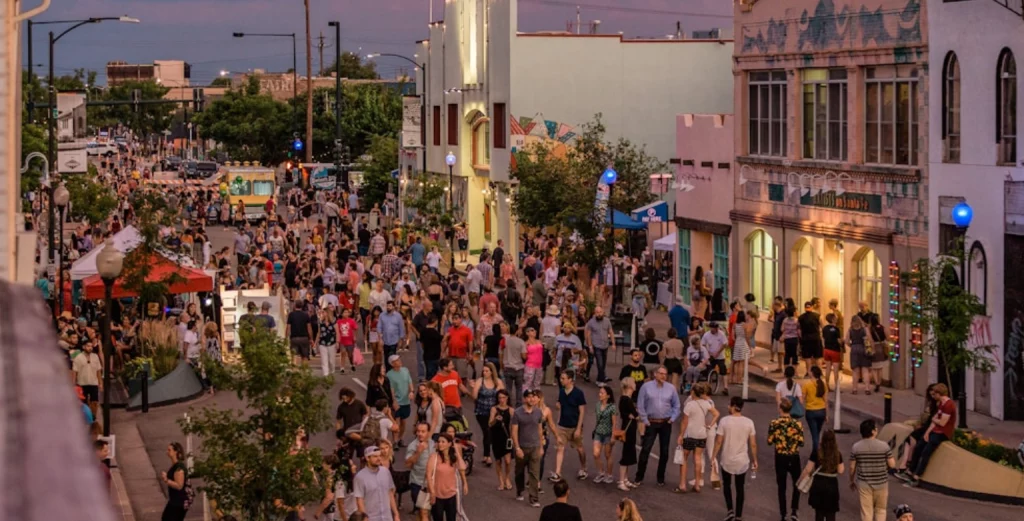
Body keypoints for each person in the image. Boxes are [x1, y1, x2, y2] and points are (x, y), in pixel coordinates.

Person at [712, 397, 757, 521]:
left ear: (732, 406)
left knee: (727, 485)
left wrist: (713, 456)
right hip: (742, 460)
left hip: (727, 458)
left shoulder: (724, 421)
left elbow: (719, 441)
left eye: (729, 405)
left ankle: (730, 511)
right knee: (740, 487)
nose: (728, 407)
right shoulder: (749, 422)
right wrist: (755, 459)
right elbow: (753, 444)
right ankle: (739, 515)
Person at [635, 366, 680, 486]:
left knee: (664, 452)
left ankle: (660, 478)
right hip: (651, 422)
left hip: (665, 423)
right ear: (655, 374)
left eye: (665, 374)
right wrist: (645, 420)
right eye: (661, 373)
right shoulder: (646, 387)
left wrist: (672, 419)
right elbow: (640, 404)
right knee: (645, 450)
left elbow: (676, 406)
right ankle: (639, 477)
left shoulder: (671, 388)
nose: (663, 376)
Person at [903, 383, 956, 487]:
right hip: (935, 431)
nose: (933, 396)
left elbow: (942, 423)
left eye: (934, 394)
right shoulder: (941, 404)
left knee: (926, 452)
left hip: (943, 433)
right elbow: (934, 422)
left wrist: (934, 419)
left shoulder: (949, 405)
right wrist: (927, 433)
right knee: (919, 446)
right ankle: (910, 471)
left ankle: (917, 476)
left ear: (939, 394)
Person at [676, 382, 719, 493]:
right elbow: (716, 414)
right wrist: (710, 425)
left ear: (693, 392)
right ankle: (697, 484)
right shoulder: (707, 403)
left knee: (684, 459)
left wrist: (681, 435)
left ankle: (682, 485)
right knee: (698, 458)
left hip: (690, 434)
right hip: (702, 435)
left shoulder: (690, 404)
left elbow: (684, 422)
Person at [850, 419, 896, 521]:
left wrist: (851, 480)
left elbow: (852, 467)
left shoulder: (856, 447)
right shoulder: (884, 446)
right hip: (882, 483)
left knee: (866, 511)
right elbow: (892, 464)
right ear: (873, 431)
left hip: (864, 484)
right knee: (881, 510)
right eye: (875, 428)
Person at [768, 398, 805, 521]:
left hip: (780, 456)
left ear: (780, 409)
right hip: (794, 456)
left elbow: (770, 441)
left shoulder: (774, 423)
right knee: (797, 484)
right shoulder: (797, 424)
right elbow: (801, 442)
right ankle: (794, 510)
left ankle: (783, 514)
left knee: (782, 486)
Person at [799, 430, 844, 521]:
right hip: (832, 484)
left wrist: (800, 479)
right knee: (831, 513)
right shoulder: (837, 454)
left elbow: (808, 469)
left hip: (818, 484)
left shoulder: (817, 452)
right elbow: (841, 470)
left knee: (819, 512)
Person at [551, 370, 587, 481]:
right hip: (562, 426)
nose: (561, 380)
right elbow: (560, 407)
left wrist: (578, 428)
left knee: (580, 449)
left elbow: (582, 411)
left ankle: (583, 468)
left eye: (563, 378)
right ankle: (557, 472)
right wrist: (558, 422)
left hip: (574, 426)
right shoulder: (562, 391)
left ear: (570, 380)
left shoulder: (578, 393)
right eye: (561, 378)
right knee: (560, 448)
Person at [512, 389, 545, 507]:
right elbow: (514, 432)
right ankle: (519, 491)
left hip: (535, 447)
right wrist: (517, 448)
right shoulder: (517, 413)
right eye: (529, 397)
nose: (531, 399)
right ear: (525, 399)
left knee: (534, 473)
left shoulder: (538, 412)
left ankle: (534, 498)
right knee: (519, 472)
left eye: (533, 397)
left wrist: (541, 446)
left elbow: (540, 430)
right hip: (522, 447)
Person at [426, 433, 468, 521]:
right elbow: (429, 475)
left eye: (443, 442)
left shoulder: (453, 458)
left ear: (449, 444)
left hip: (451, 495)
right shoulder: (434, 457)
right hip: (437, 496)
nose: (440, 444)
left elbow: (463, 467)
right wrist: (432, 493)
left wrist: (456, 450)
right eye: (439, 442)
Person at [353, 446, 401, 521]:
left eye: (379, 456)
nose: (379, 459)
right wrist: (365, 518)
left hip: (387, 517)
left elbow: (390, 494)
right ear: (367, 458)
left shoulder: (385, 472)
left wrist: (396, 514)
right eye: (375, 456)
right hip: (371, 518)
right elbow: (359, 500)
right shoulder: (360, 477)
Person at [470, 362, 504, 466]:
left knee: (490, 433)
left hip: (493, 412)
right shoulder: (480, 381)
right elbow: (474, 397)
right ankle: (487, 455)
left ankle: (487, 455)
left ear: (491, 372)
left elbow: (502, 396)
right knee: (487, 431)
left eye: (487, 371)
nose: (484, 373)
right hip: (481, 411)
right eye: (483, 371)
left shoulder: (497, 382)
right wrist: (474, 388)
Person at [405, 422, 435, 521]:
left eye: (423, 431)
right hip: (417, 482)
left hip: (432, 482)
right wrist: (418, 452)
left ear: (428, 432)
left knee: (427, 511)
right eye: (418, 431)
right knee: (422, 511)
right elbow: (408, 464)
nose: (420, 434)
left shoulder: (433, 444)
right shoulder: (413, 446)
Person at [591, 384, 618, 484]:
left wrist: (613, 436)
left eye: (602, 393)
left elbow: (614, 422)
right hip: (598, 432)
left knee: (607, 455)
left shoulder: (612, 407)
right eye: (600, 392)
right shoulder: (597, 405)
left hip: (608, 433)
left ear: (608, 395)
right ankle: (601, 472)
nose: (600, 394)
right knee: (595, 453)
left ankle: (609, 475)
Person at [616, 377, 640, 491]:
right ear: (630, 386)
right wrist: (636, 413)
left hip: (628, 427)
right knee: (627, 453)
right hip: (629, 429)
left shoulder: (624, 399)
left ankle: (625, 479)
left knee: (629, 452)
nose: (635, 385)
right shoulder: (627, 400)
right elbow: (636, 415)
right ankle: (621, 480)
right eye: (634, 383)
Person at [488, 389, 515, 491]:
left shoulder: (511, 410)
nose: (501, 400)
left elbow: (514, 425)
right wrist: (495, 419)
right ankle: (500, 480)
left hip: (507, 437)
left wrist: (513, 437)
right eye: (499, 398)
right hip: (496, 437)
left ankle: (507, 477)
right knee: (498, 460)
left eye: (503, 397)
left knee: (508, 461)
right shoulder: (494, 409)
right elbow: (490, 424)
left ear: (507, 398)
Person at [584, 306, 616, 383]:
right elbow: (588, 335)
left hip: (605, 345)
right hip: (596, 345)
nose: (598, 314)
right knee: (600, 363)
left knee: (603, 364)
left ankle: (600, 378)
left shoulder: (607, 321)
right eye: (597, 312)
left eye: (600, 312)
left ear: (603, 312)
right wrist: (590, 346)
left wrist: (613, 343)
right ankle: (600, 380)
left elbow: (611, 332)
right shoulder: (591, 322)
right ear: (595, 313)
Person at [387, 355, 414, 444]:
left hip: (406, 401)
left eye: (399, 359)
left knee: (404, 422)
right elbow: (391, 389)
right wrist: (394, 401)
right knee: (396, 421)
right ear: (392, 364)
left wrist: (412, 391)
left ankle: (400, 438)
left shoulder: (405, 370)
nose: (399, 361)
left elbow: (409, 382)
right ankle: (395, 440)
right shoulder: (389, 375)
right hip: (397, 401)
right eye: (397, 360)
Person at [160, 442, 190, 521]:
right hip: (174, 500)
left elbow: (179, 485)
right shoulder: (175, 465)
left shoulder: (179, 468)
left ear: (175, 452)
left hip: (178, 502)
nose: (167, 452)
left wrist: (166, 479)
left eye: (169, 450)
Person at [802, 366, 829, 453]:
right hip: (821, 411)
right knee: (817, 432)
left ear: (812, 373)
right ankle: (817, 450)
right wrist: (827, 414)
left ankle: (816, 453)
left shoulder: (807, 385)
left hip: (811, 411)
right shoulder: (823, 384)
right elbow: (826, 401)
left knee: (814, 435)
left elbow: (802, 399)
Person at [501, 322, 526, 405]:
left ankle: (508, 404)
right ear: (517, 331)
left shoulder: (504, 341)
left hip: (508, 366)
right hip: (519, 367)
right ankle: (518, 404)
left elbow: (500, 354)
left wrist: (502, 366)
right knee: (519, 388)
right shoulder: (521, 342)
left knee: (508, 387)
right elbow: (524, 356)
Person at [702, 322, 729, 395]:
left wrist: (718, 352)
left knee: (723, 369)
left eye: (715, 328)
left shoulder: (721, 334)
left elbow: (725, 344)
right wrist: (708, 353)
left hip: (720, 355)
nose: (713, 330)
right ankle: (708, 387)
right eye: (712, 328)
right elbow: (703, 344)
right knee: (709, 370)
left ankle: (725, 388)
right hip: (710, 355)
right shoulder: (706, 335)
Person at [848, 315, 873, 395]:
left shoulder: (850, 330)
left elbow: (846, 340)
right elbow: (870, 339)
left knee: (855, 371)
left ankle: (854, 389)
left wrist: (851, 345)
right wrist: (872, 348)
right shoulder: (865, 329)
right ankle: (867, 388)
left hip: (854, 349)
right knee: (865, 370)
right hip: (864, 348)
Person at [286, 300, 313, 366]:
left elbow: (288, 328)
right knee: (304, 356)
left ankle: (294, 371)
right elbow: (309, 328)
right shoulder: (306, 315)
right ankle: (304, 372)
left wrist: (286, 337)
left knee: (294, 356)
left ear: (295, 305)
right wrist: (311, 338)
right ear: (302, 306)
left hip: (294, 338)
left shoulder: (291, 315)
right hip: (304, 338)